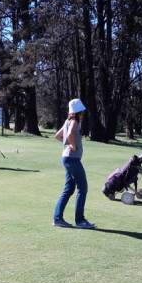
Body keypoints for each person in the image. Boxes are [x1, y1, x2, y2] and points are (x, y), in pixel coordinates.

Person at [52, 98, 95, 229]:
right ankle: (80, 220)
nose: (83, 112)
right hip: (72, 159)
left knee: (69, 189)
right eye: (81, 110)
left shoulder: (68, 120)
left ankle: (57, 219)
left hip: (67, 158)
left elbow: (58, 136)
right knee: (83, 188)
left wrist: (69, 144)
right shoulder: (75, 121)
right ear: (78, 111)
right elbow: (69, 134)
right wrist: (73, 145)